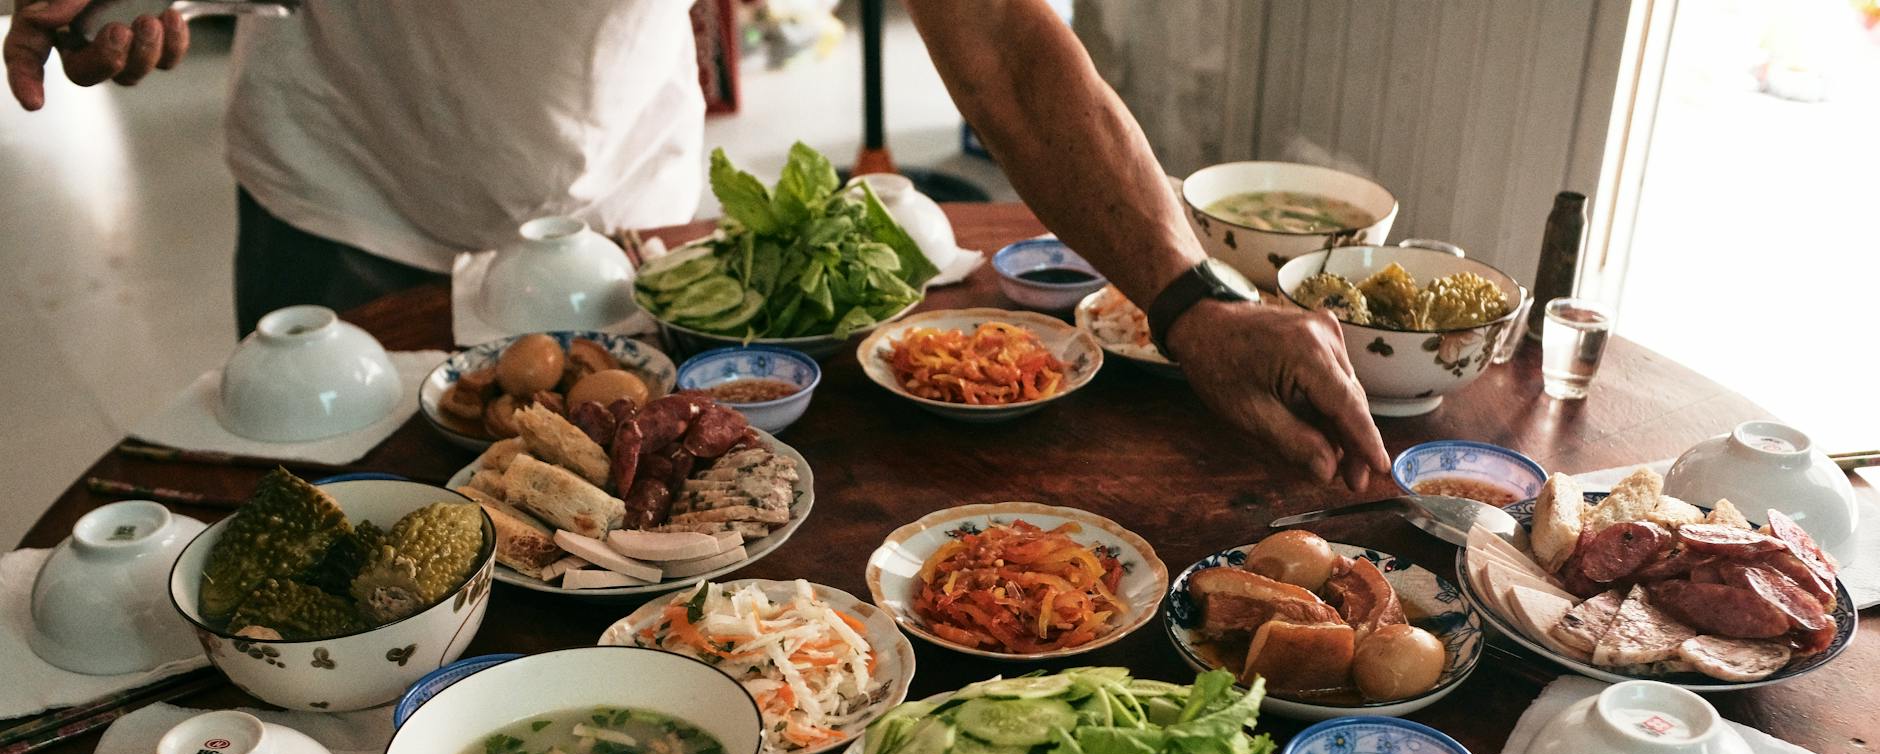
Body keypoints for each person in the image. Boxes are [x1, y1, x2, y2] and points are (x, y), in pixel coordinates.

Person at [5, 0, 1388, 490]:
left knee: (624, 536)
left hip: (628, 206)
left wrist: (1194, 300)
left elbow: (1013, 54)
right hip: (353, 187)